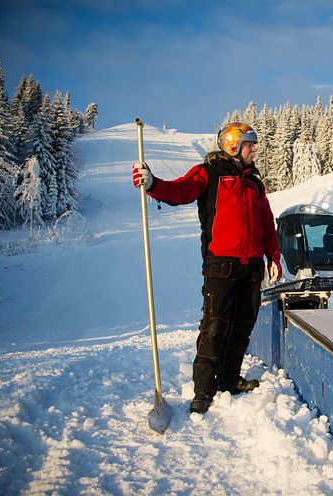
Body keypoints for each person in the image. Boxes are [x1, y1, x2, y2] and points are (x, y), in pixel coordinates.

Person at [131, 122, 281, 414]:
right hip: (220, 264)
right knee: (214, 327)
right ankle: (203, 389)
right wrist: (153, 185)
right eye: (250, 144)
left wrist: (272, 257)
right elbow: (181, 191)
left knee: (242, 326)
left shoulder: (254, 182)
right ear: (233, 145)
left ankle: (228, 380)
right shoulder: (209, 172)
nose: (254, 149)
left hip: (251, 267)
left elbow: (267, 224)